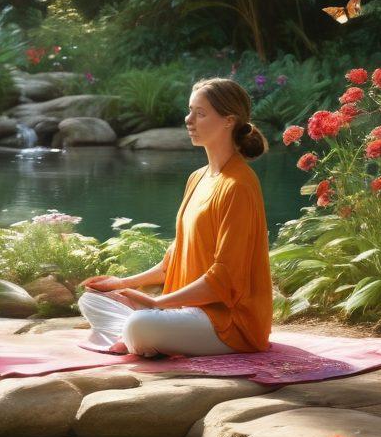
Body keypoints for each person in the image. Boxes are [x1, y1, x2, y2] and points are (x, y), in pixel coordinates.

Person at [79, 77, 271, 358]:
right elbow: (174, 260)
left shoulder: (238, 185)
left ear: (228, 120)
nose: (188, 119)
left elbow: (225, 278)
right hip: (184, 311)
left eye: (200, 113)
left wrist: (158, 303)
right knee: (92, 299)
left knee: (139, 325)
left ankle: (135, 333)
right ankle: (140, 332)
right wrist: (121, 284)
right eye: (190, 110)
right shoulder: (197, 178)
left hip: (228, 323)